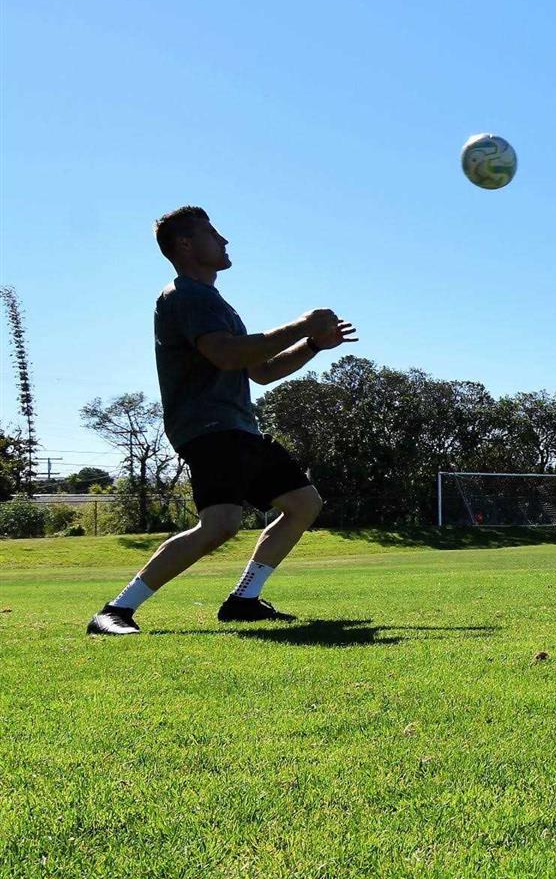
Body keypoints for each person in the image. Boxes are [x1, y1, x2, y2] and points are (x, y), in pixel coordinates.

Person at [86, 206, 357, 635]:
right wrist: (300, 325)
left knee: (303, 504)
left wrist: (311, 345)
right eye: (213, 234)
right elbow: (227, 354)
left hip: (239, 428)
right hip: (209, 428)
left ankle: (244, 600)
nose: (225, 241)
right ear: (185, 244)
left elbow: (261, 371)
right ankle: (116, 610)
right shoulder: (185, 296)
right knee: (221, 524)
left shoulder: (214, 303)